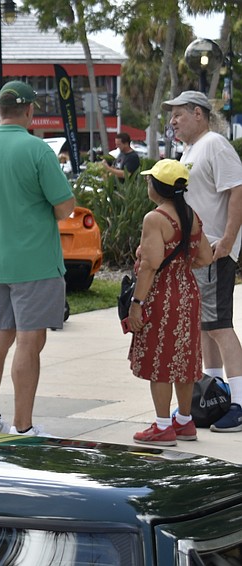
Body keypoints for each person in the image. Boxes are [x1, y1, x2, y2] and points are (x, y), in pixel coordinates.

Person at [0, 81, 75, 436]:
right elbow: (65, 208)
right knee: (28, 341)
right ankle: (23, 426)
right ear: (30, 111)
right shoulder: (37, 151)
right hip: (35, 261)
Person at [164, 90, 242, 433]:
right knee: (203, 326)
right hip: (197, 253)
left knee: (219, 325)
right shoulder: (191, 149)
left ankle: (239, 404)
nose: (172, 121)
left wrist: (227, 240)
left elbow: (237, 190)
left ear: (198, 113)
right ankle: (214, 394)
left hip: (214, 250)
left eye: (178, 114)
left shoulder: (216, 144)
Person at [128, 159, 213, 446]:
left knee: (161, 359)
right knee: (184, 358)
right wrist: (179, 265)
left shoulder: (155, 218)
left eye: (150, 180)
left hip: (162, 295)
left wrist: (137, 302)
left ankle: (163, 426)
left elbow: (150, 266)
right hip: (188, 293)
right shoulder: (191, 215)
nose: (147, 184)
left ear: (157, 187)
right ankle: (185, 421)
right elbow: (205, 258)